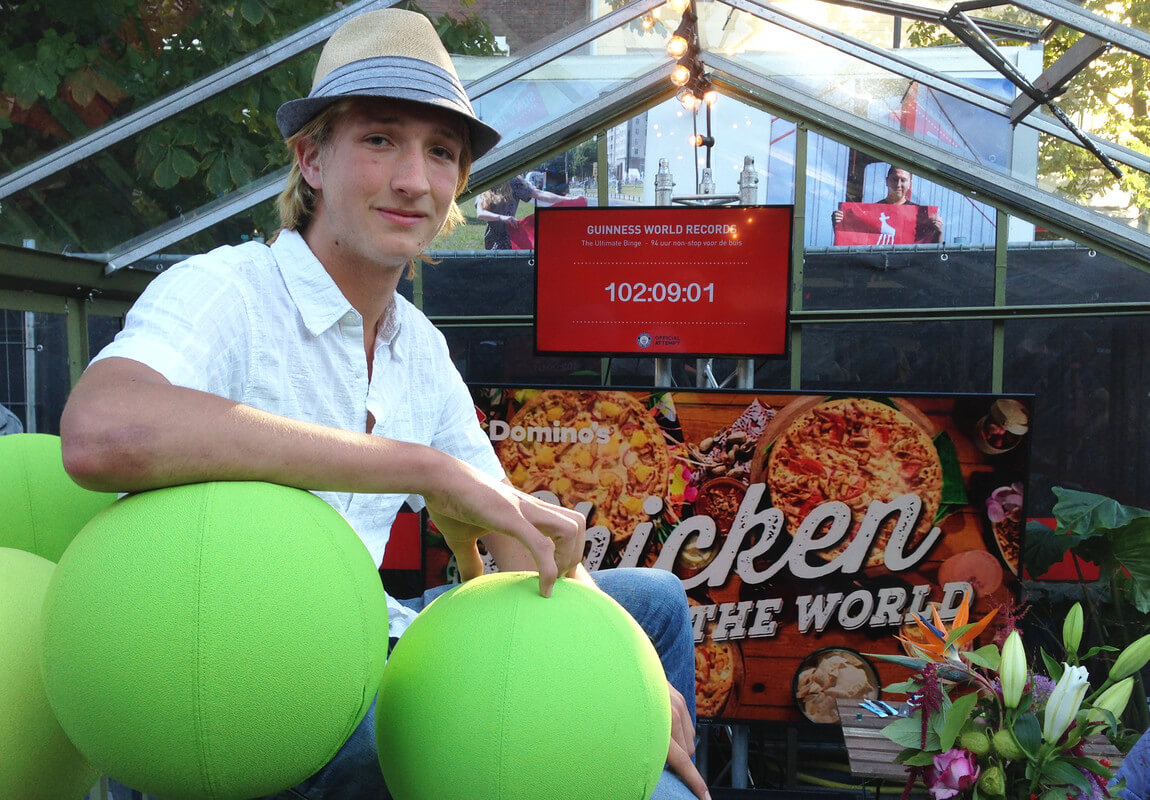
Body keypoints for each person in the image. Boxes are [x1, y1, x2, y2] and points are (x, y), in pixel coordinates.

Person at [59, 9, 707, 800]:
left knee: (654, 608)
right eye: (379, 139)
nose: (414, 179)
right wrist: (416, 467)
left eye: (441, 152)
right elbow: (98, 433)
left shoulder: (417, 346)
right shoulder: (227, 290)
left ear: (459, 185)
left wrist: (625, 674)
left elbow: (506, 532)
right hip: (246, 690)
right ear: (311, 161)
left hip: (370, 641)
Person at [832, 165, 943, 243]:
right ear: (886, 181)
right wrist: (839, 224)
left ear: (910, 183)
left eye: (903, 180)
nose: (898, 184)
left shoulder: (920, 215)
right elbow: (853, 240)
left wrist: (938, 231)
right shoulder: (871, 212)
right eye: (894, 179)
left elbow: (931, 248)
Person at [475, 174, 566, 250]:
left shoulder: (514, 182)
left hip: (512, 238)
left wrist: (567, 200)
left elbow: (539, 194)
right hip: (493, 240)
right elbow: (480, 213)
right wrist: (502, 217)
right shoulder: (486, 183)